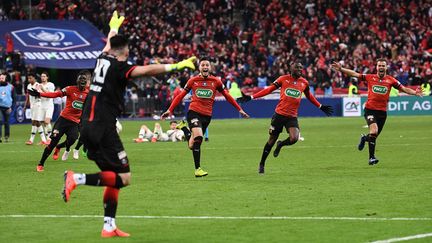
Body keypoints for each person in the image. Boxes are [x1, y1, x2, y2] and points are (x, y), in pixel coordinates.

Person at [61, 11, 197, 238]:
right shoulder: (120, 67)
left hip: (88, 125)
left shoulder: (102, 59)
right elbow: (147, 70)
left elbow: (109, 42)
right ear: (126, 51)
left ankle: (108, 226)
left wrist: (113, 26)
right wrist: (177, 65)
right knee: (123, 177)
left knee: (111, 178)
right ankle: (75, 178)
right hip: (103, 127)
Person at [237, 62, 333, 174]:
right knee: (271, 140)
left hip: (292, 117)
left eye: (301, 68)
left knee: (294, 138)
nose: (300, 69)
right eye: (297, 67)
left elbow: (309, 96)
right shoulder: (283, 79)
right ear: (291, 68)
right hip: (279, 115)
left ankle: (281, 144)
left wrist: (320, 106)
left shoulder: (304, 82)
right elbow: (269, 90)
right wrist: (252, 97)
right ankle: (262, 163)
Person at [161, 57, 250, 177]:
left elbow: (227, 96)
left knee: (192, 145)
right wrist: (169, 110)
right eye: (203, 65)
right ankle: (198, 169)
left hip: (207, 116)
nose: (205, 67)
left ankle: (184, 128)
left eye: (207, 65)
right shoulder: (193, 81)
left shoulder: (216, 81)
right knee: (199, 137)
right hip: (194, 112)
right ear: (199, 67)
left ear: (210, 67)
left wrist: (240, 109)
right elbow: (180, 96)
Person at [331, 59, 422, 165]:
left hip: (382, 113)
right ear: (376, 67)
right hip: (370, 109)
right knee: (374, 131)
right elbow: (355, 74)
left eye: (383, 65)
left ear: (386, 67)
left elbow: (404, 89)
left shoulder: (391, 80)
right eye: (379, 65)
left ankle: (364, 138)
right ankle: (371, 158)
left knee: (373, 136)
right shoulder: (370, 77)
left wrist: (415, 92)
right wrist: (341, 69)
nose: (381, 67)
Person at [28, 70, 91, 171]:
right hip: (63, 120)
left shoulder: (89, 93)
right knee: (52, 143)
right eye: (81, 80)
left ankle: (59, 147)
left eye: (85, 80)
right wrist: (40, 94)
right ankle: (41, 163)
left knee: (72, 140)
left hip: (75, 122)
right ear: (77, 81)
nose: (83, 83)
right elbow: (56, 94)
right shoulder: (70, 89)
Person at [24, 72, 48, 145]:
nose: (29, 79)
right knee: (34, 122)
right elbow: (28, 95)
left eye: (30, 78)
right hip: (32, 105)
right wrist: (25, 105)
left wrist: (35, 93)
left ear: (34, 78)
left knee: (36, 121)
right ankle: (43, 140)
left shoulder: (37, 85)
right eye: (28, 78)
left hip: (38, 104)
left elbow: (39, 95)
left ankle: (32, 140)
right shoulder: (28, 85)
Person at [38, 71, 55, 139]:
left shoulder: (50, 85)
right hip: (42, 105)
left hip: (49, 105)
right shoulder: (38, 85)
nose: (43, 78)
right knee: (43, 122)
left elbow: (51, 95)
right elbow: (38, 95)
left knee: (47, 121)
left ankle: (50, 138)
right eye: (42, 76)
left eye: (44, 76)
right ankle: (47, 138)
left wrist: (43, 89)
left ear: (47, 77)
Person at [0, 72, 16, 142]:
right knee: (0, 121)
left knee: (7, 122)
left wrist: (11, 107)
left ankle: (6, 136)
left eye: (2, 78)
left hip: (8, 108)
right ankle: (0, 137)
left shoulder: (11, 87)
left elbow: (14, 99)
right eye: (0, 78)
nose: (1, 79)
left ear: (6, 78)